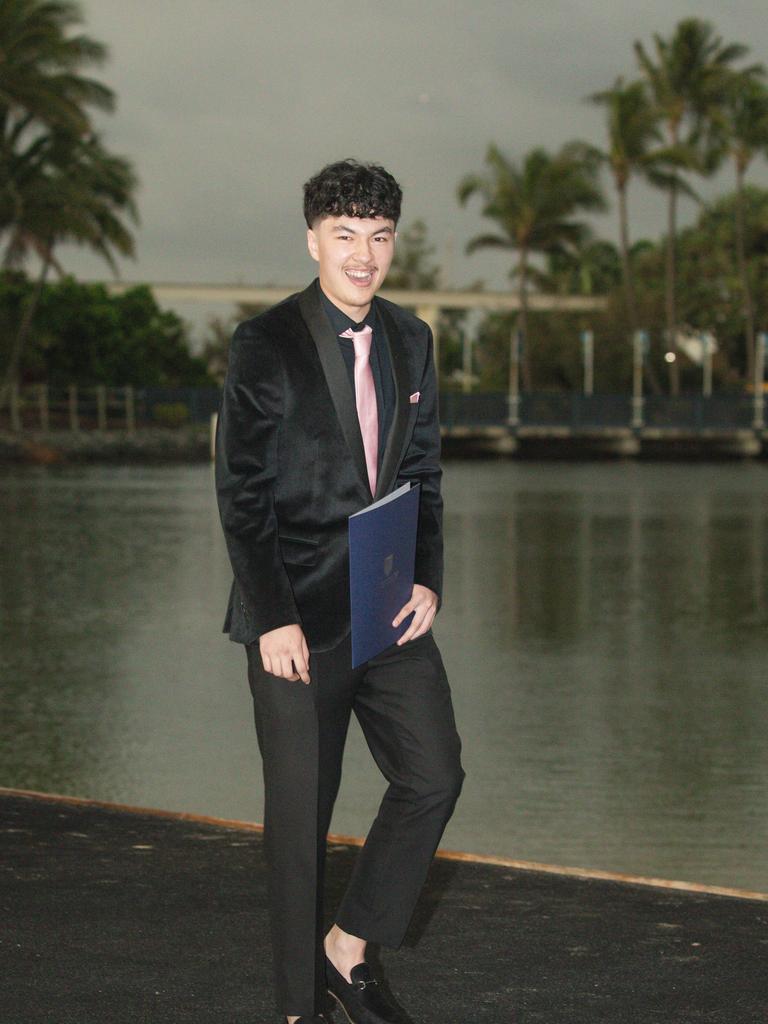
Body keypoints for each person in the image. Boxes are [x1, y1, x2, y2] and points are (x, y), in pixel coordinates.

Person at [215, 159, 464, 1024]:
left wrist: (428, 572)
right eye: (347, 235)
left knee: (434, 774)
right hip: (295, 618)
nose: (364, 255)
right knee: (299, 827)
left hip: (390, 608)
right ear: (313, 238)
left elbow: (425, 472)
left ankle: (348, 948)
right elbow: (241, 495)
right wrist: (272, 616)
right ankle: (298, 1008)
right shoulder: (265, 343)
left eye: (380, 237)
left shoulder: (413, 338)